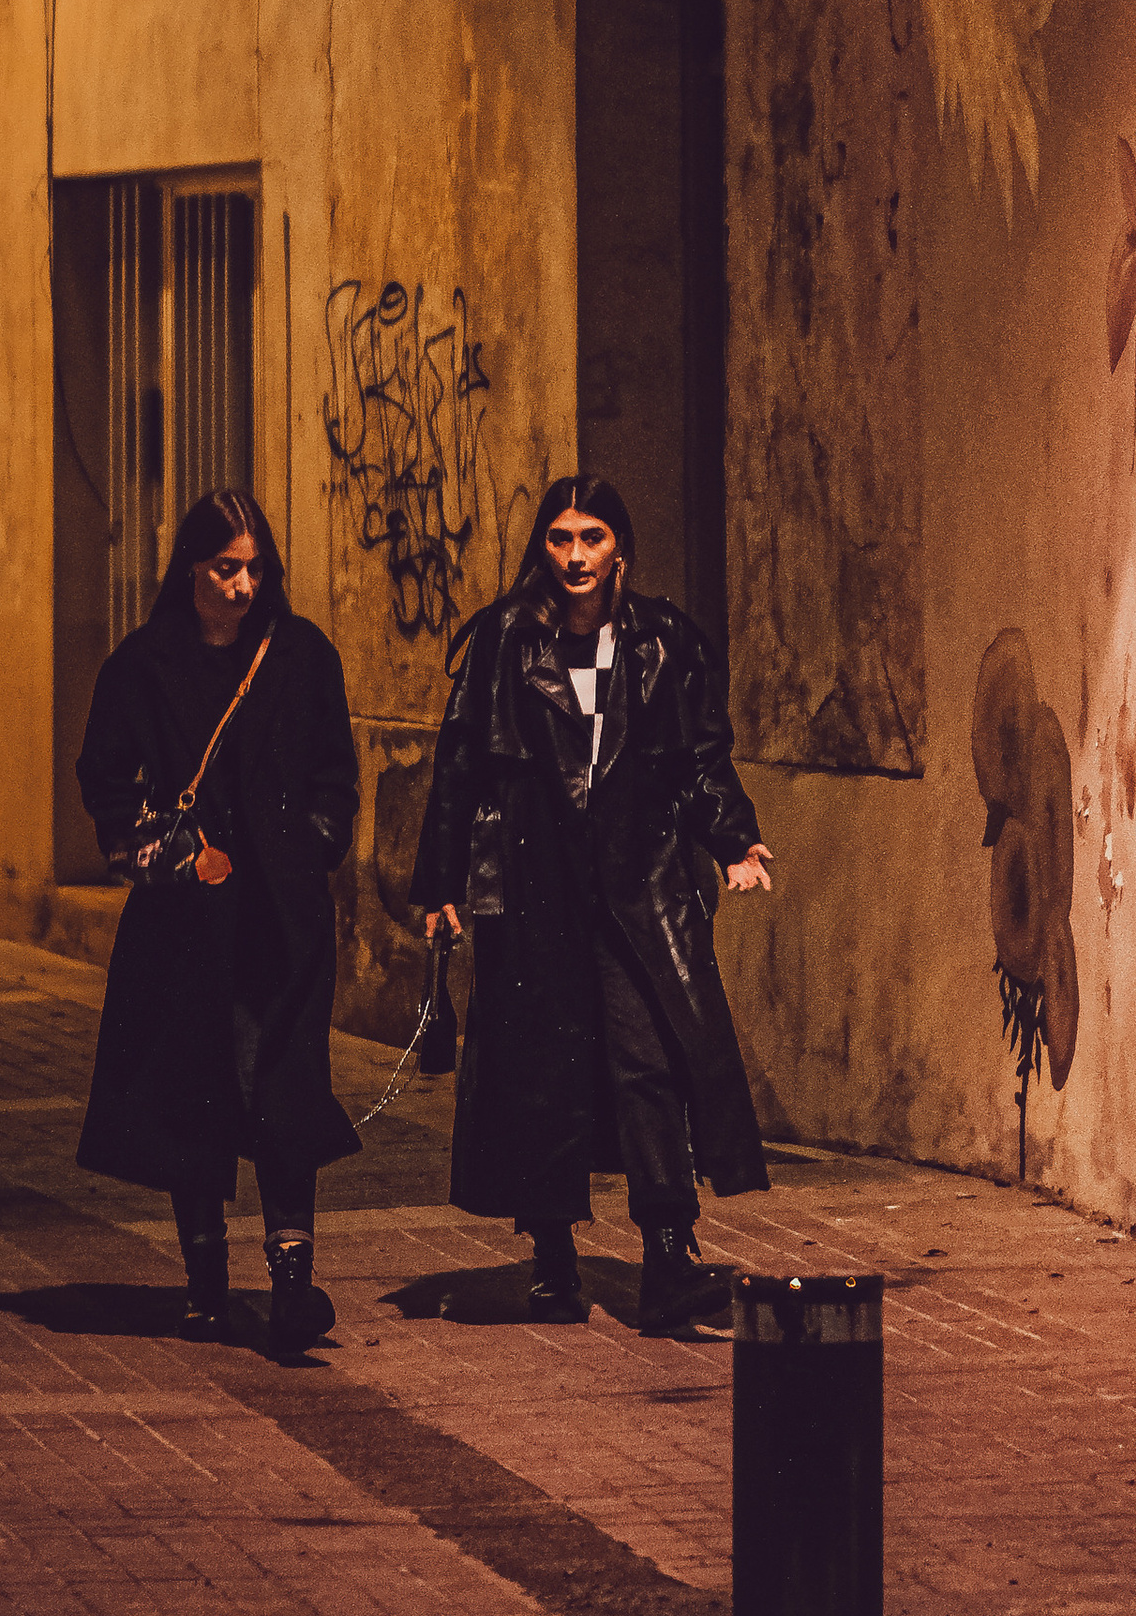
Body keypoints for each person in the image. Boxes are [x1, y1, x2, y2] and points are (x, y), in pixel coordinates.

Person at [412, 473, 773, 1334]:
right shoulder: (504, 639)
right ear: (543, 546)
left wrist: (734, 839)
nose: (576, 556)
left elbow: (700, 755)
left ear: (620, 549)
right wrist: (441, 885)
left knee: (650, 1062)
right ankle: (552, 1261)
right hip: (535, 887)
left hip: (637, 885)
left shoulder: (662, 641)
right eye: (561, 538)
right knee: (545, 1072)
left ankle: (669, 1252)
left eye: (593, 538)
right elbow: (460, 762)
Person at [75, 488, 361, 1357]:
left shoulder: (300, 654)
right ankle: (205, 1287)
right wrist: (162, 849)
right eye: (224, 569)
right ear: (191, 570)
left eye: (254, 569)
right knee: (193, 1091)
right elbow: (103, 773)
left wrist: (312, 845)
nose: (242, 587)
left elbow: (334, 772)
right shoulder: (146, 662)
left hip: (281, 914)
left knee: (284, 1085)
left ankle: (293, 1282)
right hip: (186, 918)